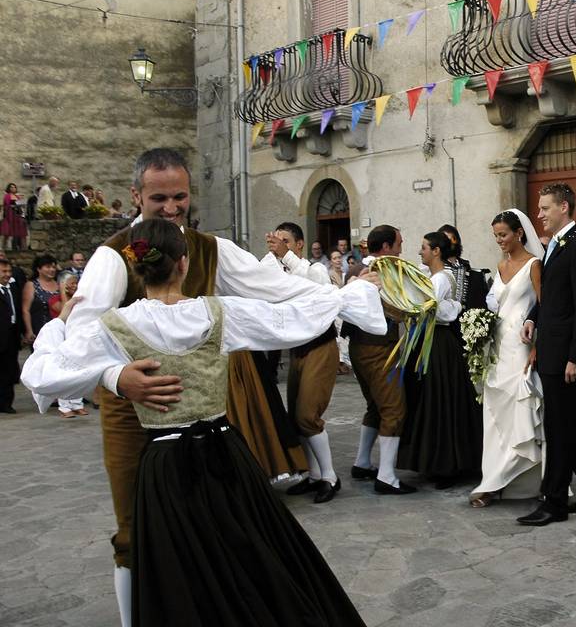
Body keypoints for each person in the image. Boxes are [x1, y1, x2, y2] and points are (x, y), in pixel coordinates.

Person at [63, 148, 384, 627]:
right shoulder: (114, 255)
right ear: (136, 196)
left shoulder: (212, 249)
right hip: (134, 415)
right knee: (135, 532)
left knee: (223, 523)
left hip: (204, 412)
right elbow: (79, 333)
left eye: (180, 197)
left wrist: (349, 293)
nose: (172, 208)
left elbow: (277, 290)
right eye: (159, 198)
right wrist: (116, 377)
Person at [519, 183, 576, 526]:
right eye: (540, 208)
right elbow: (552, 296)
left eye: (545, 208)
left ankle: (554, 501)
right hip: (552, 349)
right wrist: (532, 318)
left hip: (566, 356)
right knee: (568, 424)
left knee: (558, 428)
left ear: (564, 208)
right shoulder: (555, 246)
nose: (539, 214)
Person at [261, 222, 342, 503]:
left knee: (308, 414)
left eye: (286, 241)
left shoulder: (314, 268)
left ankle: (330, 476)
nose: (279, 245)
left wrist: (286, 257)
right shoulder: (277, 270)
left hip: (320, 345)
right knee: (295, 416)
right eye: (276, 240)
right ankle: (314, 475)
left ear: (299, 245)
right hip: (297, 349)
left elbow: (313, 289)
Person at [470, 210, 544, 508]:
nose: (499, 240)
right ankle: (493, 480)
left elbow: (545, 305)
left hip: (522, 345)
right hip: (497, 347)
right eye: (496, 236)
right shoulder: (499, 266)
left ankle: (532, 480)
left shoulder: (534, 265)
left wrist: (539, 347)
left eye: (503, 234)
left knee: (520, 411)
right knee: (495, 416)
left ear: (519, 233)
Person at [398, 232, 482, 488]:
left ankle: (447, 464)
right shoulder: (432, 277)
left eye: (424, 247)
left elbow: (425, 307)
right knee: (434, 399)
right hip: (432, 341)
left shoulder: (441, 278)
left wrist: (447, 309)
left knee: (442, 400)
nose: (420, 251)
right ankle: (437, 461)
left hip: (440, 343)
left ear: (436, 251)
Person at [343, 224, 416, 495]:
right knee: (394, 410)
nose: (401, 248)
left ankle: (362, 463)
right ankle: (386, 476)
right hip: (379, 349)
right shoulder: (383, 272)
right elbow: (395, 310)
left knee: (374, 406)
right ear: (386, 247)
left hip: (358, 349)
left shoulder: (354, 268)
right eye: (398, 243)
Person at [49, 272, 86, 418]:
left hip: (76, 338)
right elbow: (65, 311)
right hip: (62, 339)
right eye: (71, 283)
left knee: (78, 370)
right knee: (64, 371)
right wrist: (64, 293)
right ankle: (64, 407)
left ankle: (77, 403)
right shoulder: (54, 299)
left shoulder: (79, 300)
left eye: (76, 283)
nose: (75, 286)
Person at [0, 257, 24, 414]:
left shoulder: (13, 288)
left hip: (12, 336)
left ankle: (6, 403)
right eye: (4, 271)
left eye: (9, 271)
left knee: (9, 370)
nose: (7, 274)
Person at [21, 254, 59, 347]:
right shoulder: (32, 285)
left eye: (54, 267)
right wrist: (29, 331)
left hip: (58, 329)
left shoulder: (60, 284)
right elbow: (25, 310)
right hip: (40, 329)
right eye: (48, 267)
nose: (52, 270)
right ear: (38, 269)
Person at [1, 183, 28, 250]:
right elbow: (6, 205)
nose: (13, 188)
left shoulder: (18, 196)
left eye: (14, 187)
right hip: (10, 216)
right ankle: (3, 248)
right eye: (11, 187)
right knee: (7, 233)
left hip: (18, 216)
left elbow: (21, 206)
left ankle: (23, 248)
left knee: (21, 233)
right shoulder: (7, 196)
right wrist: (14, 205)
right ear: (9, 188)